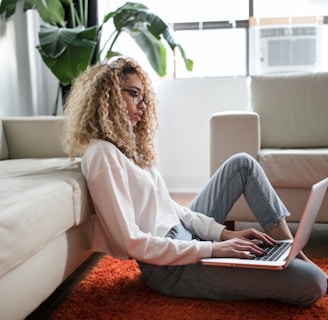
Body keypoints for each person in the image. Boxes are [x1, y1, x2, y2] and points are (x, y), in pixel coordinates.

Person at [62, 56, 327, 306]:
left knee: (242, 164)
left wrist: (224, 235)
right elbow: (130, 242)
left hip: (188, 239)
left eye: (144, 97)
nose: (142, 106)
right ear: (107, 97)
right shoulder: (102, 155)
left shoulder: (130, 148)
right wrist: (212, 249)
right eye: (133, 94)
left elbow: (171, 208)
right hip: (170, 268)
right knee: (313, 283)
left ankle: (291, 251)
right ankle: (288, 261)